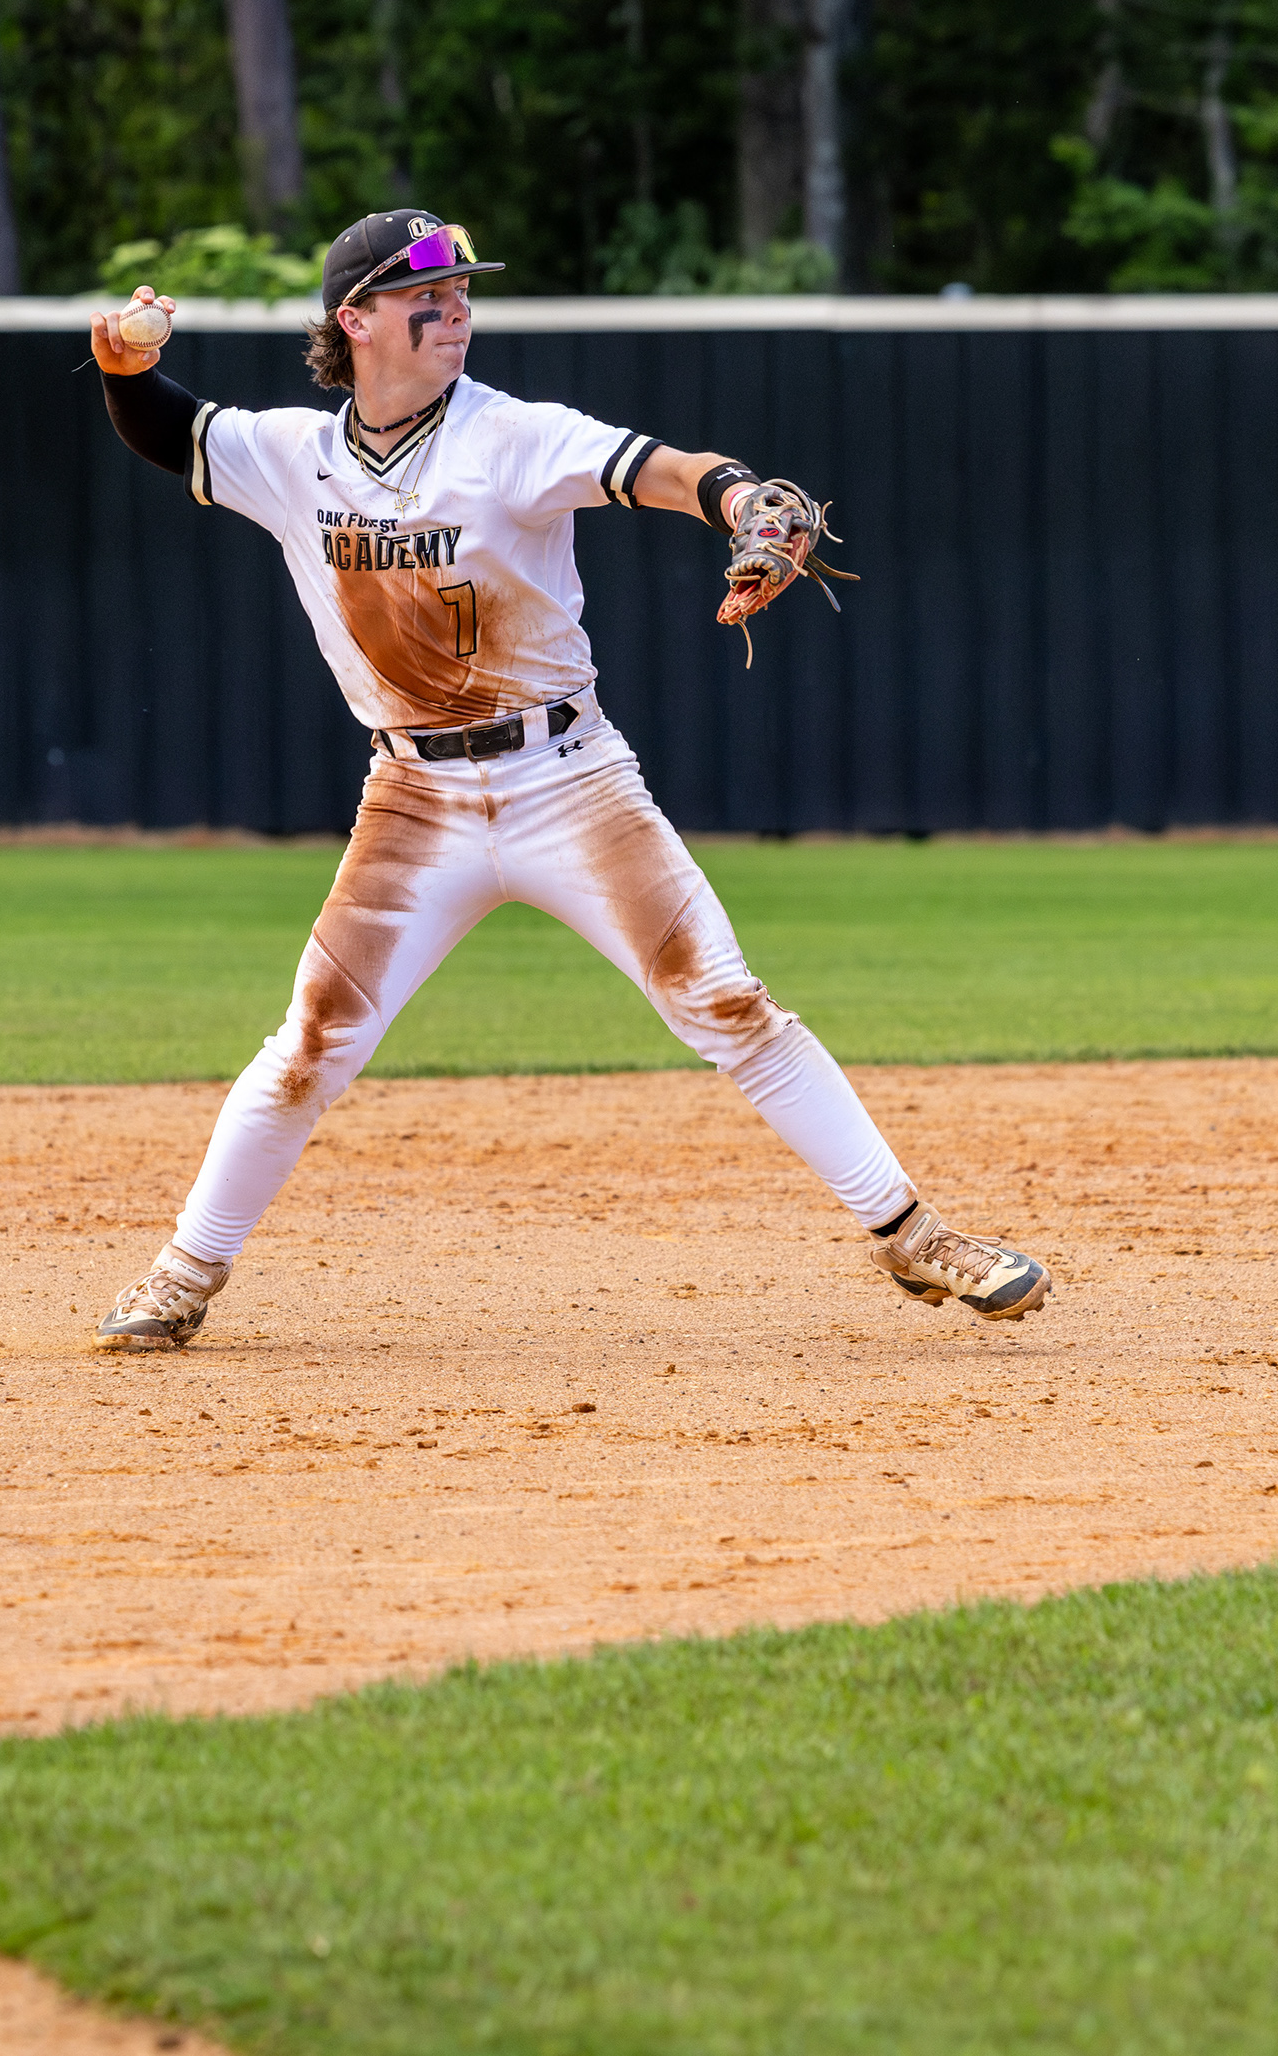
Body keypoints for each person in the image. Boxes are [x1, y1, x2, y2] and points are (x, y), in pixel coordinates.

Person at [81, 206, 1049, 1351]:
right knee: (310, 1043)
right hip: (413, 801)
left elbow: (664, 471)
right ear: (357, 319)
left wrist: (743, 501)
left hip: (568, 779)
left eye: (463, 293)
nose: (457, 311)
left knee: (727, 1000)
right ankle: (182, 1272)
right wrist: (121, 361)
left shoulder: (512, 435)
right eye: (427, 296)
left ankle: (913, 1232)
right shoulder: (293, 455)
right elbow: (168, 429)